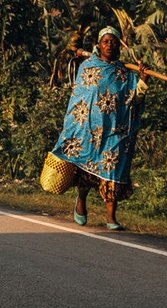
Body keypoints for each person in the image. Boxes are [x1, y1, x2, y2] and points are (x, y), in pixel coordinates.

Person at [49, 27, 147, 230]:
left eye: (113, 42)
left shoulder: (125, 74)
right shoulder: (88, 67)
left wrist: (143, 82)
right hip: (89, 131)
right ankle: (81, 201)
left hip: (114, 132)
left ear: (119, 46)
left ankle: (111, 218)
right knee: (86, 172)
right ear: (99, 45)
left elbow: (134, 101)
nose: (110, 45)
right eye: (106, 41)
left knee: (112, 171)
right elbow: (79, 99)